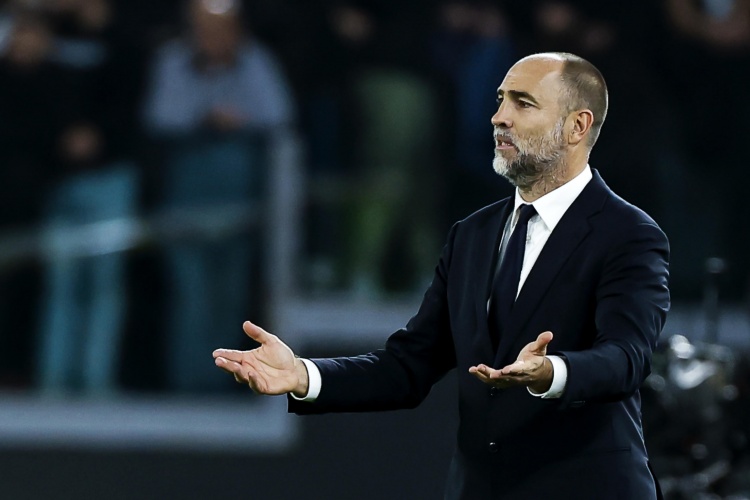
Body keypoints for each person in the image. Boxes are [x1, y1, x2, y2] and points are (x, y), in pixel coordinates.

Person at [213, 52, 670, 499]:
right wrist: (304, 375)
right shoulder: (472, 235)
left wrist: (552, 372)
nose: (499, 118)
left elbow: (626, 357)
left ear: (577, 126)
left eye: (523, 103)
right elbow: (408, 365)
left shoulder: (628, 234)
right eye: (500, 100)